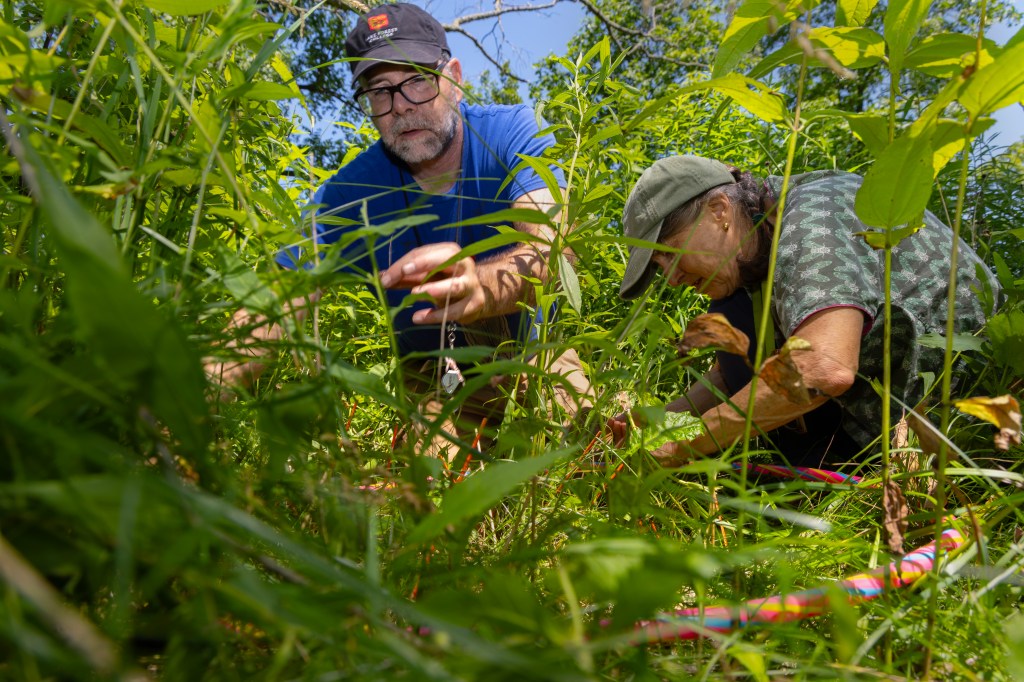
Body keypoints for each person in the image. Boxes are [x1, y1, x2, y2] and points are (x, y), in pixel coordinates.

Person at [207, 3, 591, 459]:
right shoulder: (346, 194)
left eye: (417, 81)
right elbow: (272, 306)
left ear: (454, 77)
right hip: (433, 375)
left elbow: (549, 248)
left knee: (595, 435)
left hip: (528, 349)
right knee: (425, 486)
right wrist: (184, 403)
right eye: (380, 92)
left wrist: (479, 286)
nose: (402, 107)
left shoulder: (510, 133)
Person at [609, 155, 1000, 468]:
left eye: (672, 255)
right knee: (730, 312)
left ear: (718, 211)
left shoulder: (812, 217)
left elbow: (822, 367)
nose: (673, 279)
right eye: (660, 268)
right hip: (870, 408)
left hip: (966, 412)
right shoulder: (748, 258)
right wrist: (657, 421)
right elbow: (730, 378)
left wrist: (682, 446)